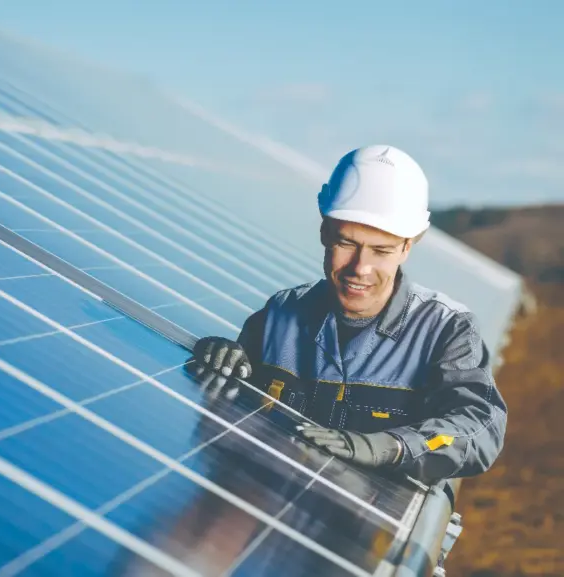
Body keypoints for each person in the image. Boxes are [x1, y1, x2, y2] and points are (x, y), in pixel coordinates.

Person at [191, 145, 507, 486]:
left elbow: (478, 428)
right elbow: (231, 416)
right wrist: (224, 360)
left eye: (381, 250)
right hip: (264, 508)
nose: (361, 268)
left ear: (408, 245)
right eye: (347, 243)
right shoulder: (280, 314)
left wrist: (393, 447)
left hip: (362, 534)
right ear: (325, 231)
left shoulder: (446, 331)